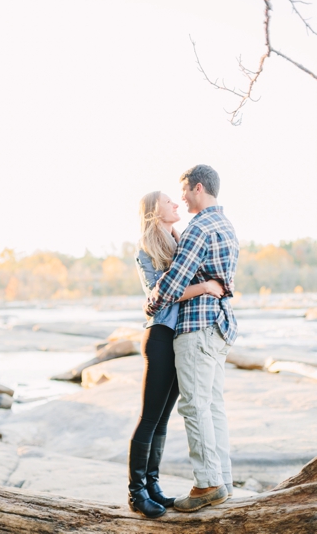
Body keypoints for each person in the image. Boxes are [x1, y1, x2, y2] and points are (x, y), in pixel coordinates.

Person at [144, 164, 239, 513]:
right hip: (220, 326)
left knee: (195, 405)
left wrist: (152, 299)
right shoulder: (226, 225)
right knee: (213, 405)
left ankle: (208, 483)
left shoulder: (199, 227)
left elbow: (174, 280)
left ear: (198, 188)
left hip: (197, 326)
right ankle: (223, 480)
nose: (181, 198)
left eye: (183, 190)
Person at [129, 190, 225, 519]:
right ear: (155, 213)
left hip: (179, 338)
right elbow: (159, 295)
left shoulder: (181, 239)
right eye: (168, 202)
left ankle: (153, 485)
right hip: (160, 336)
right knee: (149, 418)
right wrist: (205, 287)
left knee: (162, 421)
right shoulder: (147, 247)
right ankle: (136, 492)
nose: (176, 204)